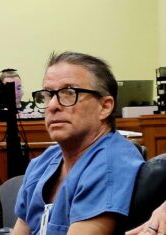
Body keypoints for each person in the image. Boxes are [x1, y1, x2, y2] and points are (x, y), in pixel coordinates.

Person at [12, 51, 145, 235]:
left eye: (68, 93)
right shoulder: (43, 163)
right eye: (47, 94)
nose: (52, 106)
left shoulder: (111, 163)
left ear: (105, 107)